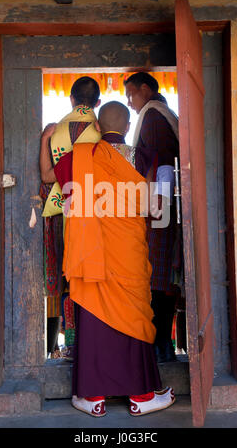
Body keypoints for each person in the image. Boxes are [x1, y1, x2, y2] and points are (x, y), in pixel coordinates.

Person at [40, 101, 175, 417]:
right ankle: (141, 397)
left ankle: (92, 398)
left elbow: (48, 176)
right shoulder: (143, 158)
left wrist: (47, 139)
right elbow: (157, 204)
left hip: (92, 254)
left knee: (95, 321)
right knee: (134, 319)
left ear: (97, 127)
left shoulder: (81, 157)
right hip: (128, 253)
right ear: (128, 128)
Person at [39, 76, 101, 360]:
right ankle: (94, 346)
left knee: (69, 282)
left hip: (66, 216)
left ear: (71, 100)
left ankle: (69, 346)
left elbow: (47, 178)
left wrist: (44, 140)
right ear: (97, 103)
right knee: (97, 283)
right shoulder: (103, 133)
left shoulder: (56, 131)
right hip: (102, 217)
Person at [124, 72, 181, 363]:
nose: (130, 103)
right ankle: (161, 344)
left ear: (145, 90)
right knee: (161, 273)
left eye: (131, 95)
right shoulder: (160, 112)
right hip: (164, 206)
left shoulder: (154, 117)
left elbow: (164, 163)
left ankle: (160, 344)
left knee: (158, 274)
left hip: (162, 207)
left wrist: (158, 203)